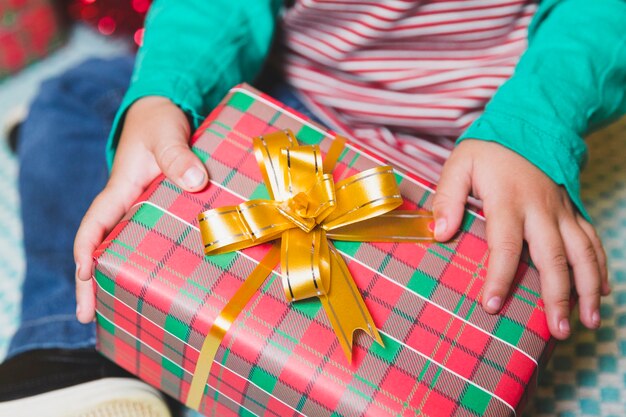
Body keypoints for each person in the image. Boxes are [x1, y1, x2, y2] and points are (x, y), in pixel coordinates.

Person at [1, 0, 625, 415]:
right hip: (284, 99)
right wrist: (165, 93)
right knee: (83, 97)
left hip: (474, 158)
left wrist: (535, 129)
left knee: (437, 336)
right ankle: (71, 349)